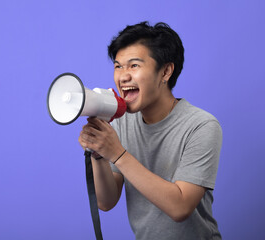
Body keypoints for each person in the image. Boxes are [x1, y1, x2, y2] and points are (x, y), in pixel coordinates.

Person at [79, 21, 222, 240]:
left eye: (134, 66)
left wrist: (116, 153)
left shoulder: (201, 125)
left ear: (165, 71)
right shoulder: (122, 122)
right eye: (118, 66)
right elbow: (106, 202)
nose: (123, 76)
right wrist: (99, 153)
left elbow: (180, 207)